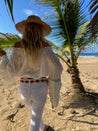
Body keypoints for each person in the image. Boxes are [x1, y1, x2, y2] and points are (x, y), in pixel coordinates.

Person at [0, 15, 63, 131]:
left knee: (35, 115)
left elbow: (12, 70)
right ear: (40, 30)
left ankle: (44, 127)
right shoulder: (45, 46)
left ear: (26, 29)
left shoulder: (18, 45)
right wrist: (52, 79)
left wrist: (4, 57)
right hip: (40, 87)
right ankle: (42, 127)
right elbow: (58, 68)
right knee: (35, 120)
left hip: (23, 87)